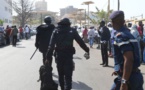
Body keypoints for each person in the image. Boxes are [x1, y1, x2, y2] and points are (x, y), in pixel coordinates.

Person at [46, 18, 90, 90]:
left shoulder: (56, 31)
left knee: (61, 75)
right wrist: (86, 50)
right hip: (68, 56)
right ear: (68, 24)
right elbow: (80, 42)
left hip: (59, 56)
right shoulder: (72, 31)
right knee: (68, 77)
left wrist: (47, 57)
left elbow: (51, 46)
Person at [110, 10, 144, 90]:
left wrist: (124, 82)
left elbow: (129, 59)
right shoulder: (129, 34)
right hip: (135, 76)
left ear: (113, 22)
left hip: (129, 78)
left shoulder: (120, 36)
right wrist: (118, 69)